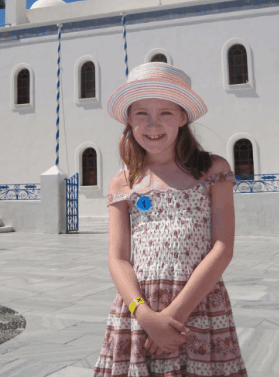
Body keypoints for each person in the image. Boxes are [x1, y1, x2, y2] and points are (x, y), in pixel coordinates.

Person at [92, 62, 248, 376]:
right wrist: (146, 316)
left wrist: (174, 315)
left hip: (197, 304)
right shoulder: (123, 182)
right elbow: (118, 258)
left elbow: (222, 248)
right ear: (129, 120)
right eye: (141, 114)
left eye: (165, 112)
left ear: (182, 116)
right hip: (139, 307)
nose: (153, 124)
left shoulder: (213, 170)